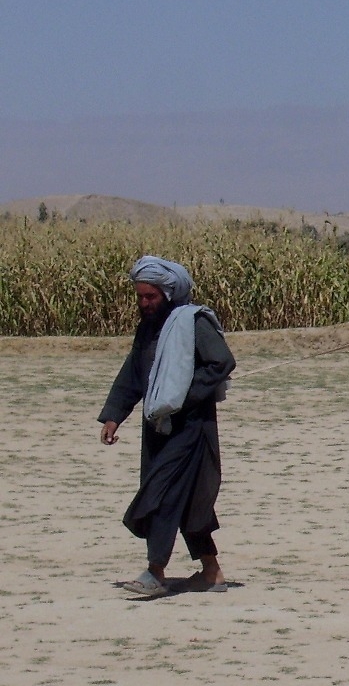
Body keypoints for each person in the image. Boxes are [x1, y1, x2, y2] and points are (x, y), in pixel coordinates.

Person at [98, 255, 236, 597]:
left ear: (168, 294)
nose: (145, 303)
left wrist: (179, 397)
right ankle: (211, 572)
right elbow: (134, 373)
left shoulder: (192, 322)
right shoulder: (148, 328)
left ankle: (155, 572)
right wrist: (115, 414)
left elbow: (222, 362)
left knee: (161, 494)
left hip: (190, 428)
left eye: (151, 297)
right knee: (188, 500)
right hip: (158, 428)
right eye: (140, 297)